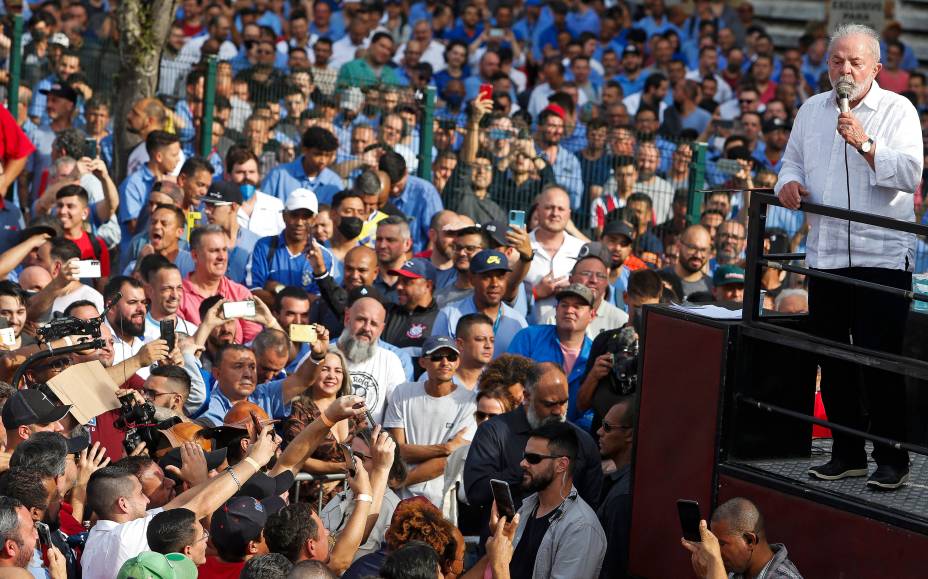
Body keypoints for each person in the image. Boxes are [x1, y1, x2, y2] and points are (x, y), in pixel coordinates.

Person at [775, 24, 922, 489]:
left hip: (881, 255)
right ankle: (847, 452)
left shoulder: (898, 110)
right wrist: (788, 185)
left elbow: (910, 174)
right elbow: (790, 161)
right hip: (828, 253)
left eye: (855, 62)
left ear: (875, 68)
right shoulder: (811, 110)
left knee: (879, 359)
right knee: (833, 358)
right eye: (838, 61)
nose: (845, 70)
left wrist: (864, 142)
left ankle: (892, 458)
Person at [464, 362, 603, 534]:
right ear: (526, 397)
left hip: (560, 548)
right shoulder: (494, 432)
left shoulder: (583, 443)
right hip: (504, 546)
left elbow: (591, 507)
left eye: (564, 402)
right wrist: (528, 471)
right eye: (549, 404)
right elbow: (476, 492)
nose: (558, 411)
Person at [385, 336, 477, 506]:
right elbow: (398, 451)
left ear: (458, 362)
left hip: (444, 501)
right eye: (436, 357)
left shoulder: (470, 402)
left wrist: (402, 481)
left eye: (451, 357)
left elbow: (450, 460)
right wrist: (445, 448)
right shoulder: (402, 392)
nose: (445, 362)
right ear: (422, 362)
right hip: (399, 498)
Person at [508, 421, 606, 578]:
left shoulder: (581, 527)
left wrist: (499, 565)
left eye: (533, 458)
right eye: (524, 456)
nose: (523, 463)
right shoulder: (527, 508)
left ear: (561, 465)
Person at [509, 284, 595, 430]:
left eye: (577, 306)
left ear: (592, 315)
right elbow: (508, 384)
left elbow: (594, 409)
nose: (569, 310)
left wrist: (573, 434)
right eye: (564, 305)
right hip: (523, 430)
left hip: (574, 439)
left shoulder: (595, 354)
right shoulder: (529, 337)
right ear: (556, 310)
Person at [283, 349, 362, 506]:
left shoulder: (355, 409)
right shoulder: (300, 408)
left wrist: (341, 476)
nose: (332, 375)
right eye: (325, 369)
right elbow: (295, 456)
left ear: (344, 376)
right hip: (309, 500)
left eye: (338, 371)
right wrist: (337, 469)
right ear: (313, 373)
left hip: (349, 499)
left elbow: (367, 453)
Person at [433, 250, 527, 358]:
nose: (494, 284)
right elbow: (437, 361)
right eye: (486, 277)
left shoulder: (518, 321)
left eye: (500, 277)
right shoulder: (449, 315)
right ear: (472, 279)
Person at [681, 498, 803, 579]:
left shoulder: (783, 577)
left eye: (722, 544)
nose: (716, 551)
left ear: (750, 540)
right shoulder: (737, 571)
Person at [596, 398, 636, 579]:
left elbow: (612, 568)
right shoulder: (622, 484)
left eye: (607, 427)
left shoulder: (623, 496)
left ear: (630, 434)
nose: (599, 432)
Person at [662, 225, 713, 300]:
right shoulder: (659, 279)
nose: (698, 255)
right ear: (678, 246)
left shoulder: (712, 287)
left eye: (703, 250)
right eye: (692, 248)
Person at [453, 313, 495, 390]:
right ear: (460, 344)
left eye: (492, 340)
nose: (488, 346)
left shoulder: (498, 382)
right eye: (480, 339)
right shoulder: (435, 379)